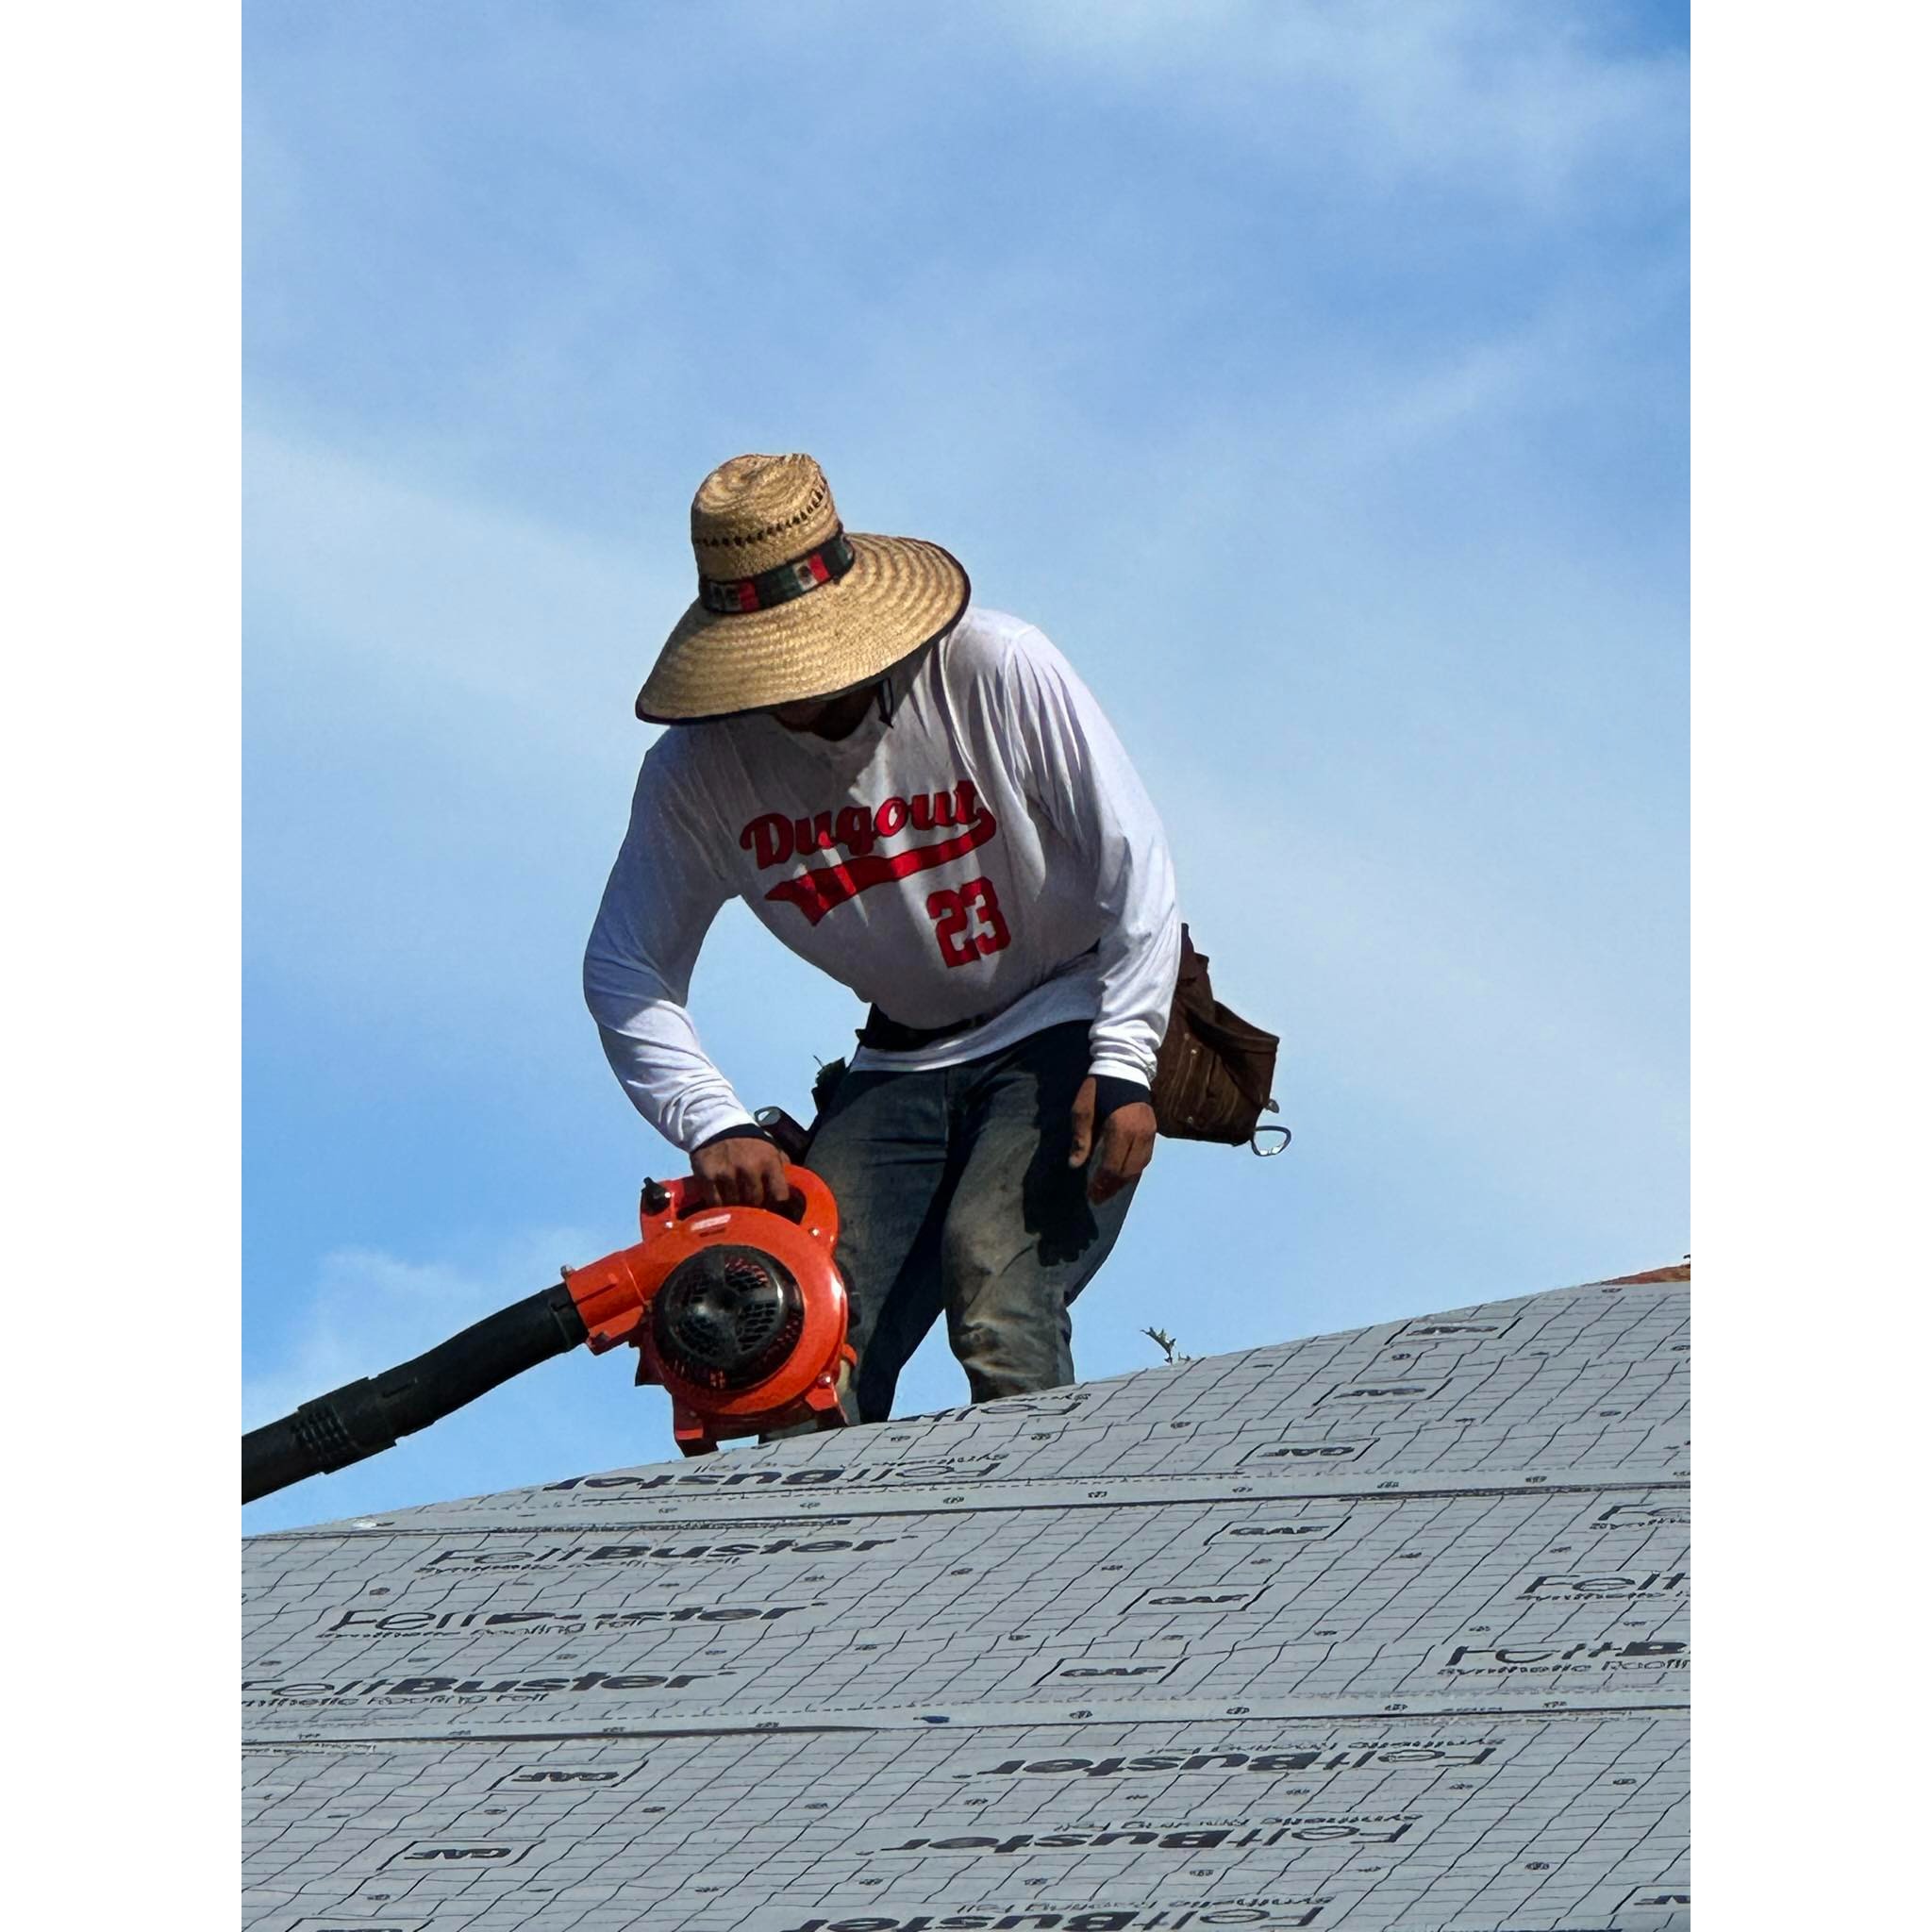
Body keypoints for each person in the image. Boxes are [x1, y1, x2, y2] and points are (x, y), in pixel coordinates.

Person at [584, 453, 1180, 1424]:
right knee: (802, 1331)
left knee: (998, 1295)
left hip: (1064, 1006)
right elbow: (625, 966)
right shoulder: (697, 773)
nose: (785, 689)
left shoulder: (991, 666)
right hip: (899, 1055)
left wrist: (1123, 1060)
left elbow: (1133, 861)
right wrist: (714, 1122)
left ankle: (1027, 1552)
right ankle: (826, 1565)